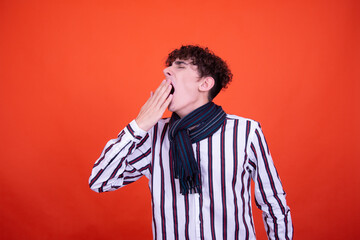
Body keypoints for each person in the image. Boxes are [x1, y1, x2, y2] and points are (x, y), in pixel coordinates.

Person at [89, 45, 293, 240]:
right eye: (168, 66)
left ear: (204, 84)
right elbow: (100, 181)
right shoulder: (153, 136)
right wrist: (139, 126)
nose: (166, 70)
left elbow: (273, 203)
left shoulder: (246, 132)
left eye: (179, 66)